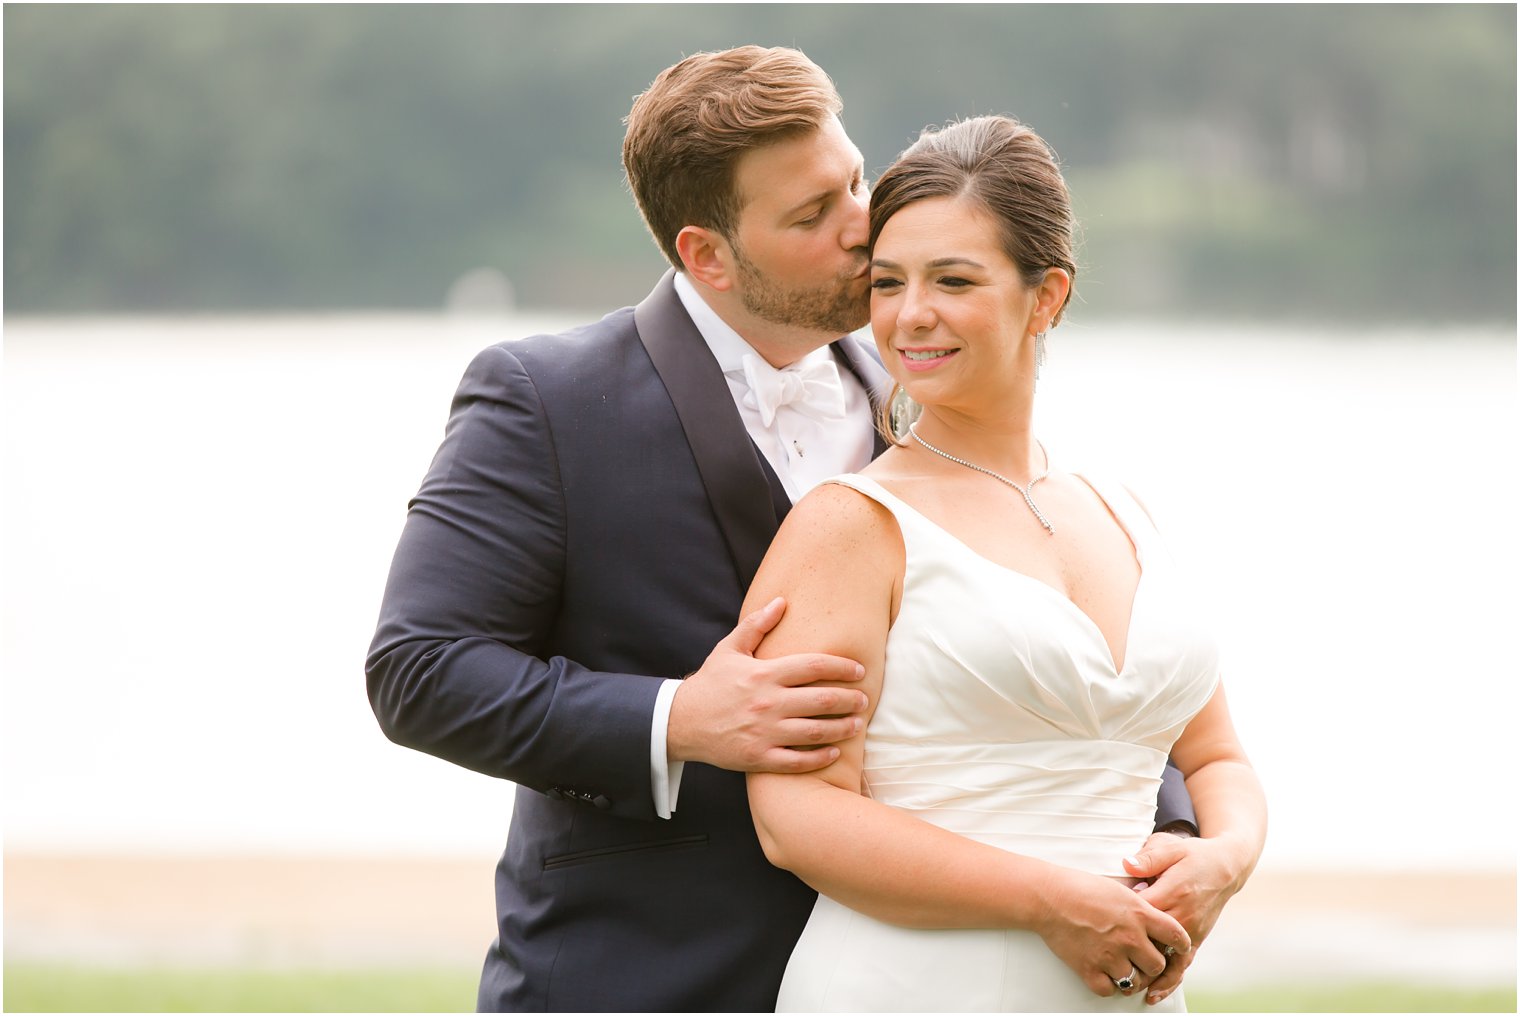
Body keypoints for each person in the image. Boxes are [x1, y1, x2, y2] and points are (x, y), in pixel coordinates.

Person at [367, 47, 1229, 1012]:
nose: (865, 227)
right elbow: (419, 670)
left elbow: (1019, 652)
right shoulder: (548, 400)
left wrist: (1165, 835)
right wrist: (678, 719)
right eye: (813, 216)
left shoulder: (927, 376)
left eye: (853, 180)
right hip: (649, 976)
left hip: (928, 962)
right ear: (707, 255)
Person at [745, 114, 1268, 1012]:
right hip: (910, 984)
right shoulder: (850, 525)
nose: (910, 315)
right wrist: (1049, 900)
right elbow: (795, 818)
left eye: (953, 280)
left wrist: (1222, 861)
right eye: (888, 282)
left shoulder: (1118, 508)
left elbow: (1217, 756)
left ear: (1046, 296)